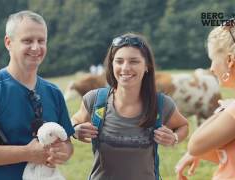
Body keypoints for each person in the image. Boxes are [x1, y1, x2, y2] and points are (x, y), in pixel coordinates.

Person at [0, 10, 75, 180]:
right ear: (8, 42)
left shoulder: (54, 92)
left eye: (41, 41)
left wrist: (63, 152)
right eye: (27, 40)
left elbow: (68, 145)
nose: (36, 47)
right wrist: (27, 153)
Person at [71, 33, 189, 180]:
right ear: (111, 64)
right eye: (119, 61)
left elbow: (183, 125)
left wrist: (175, 138)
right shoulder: (95, 100)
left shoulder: (161, 103)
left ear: (147, 66)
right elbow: (74, 121)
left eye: (134, 61)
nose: (125, 68)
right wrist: (75, 130)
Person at [175, 19, 235, 180]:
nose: (211, 68)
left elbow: (195, 144)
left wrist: (226, 109)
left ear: (230, 60)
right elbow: (225, 154)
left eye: (212, 59)